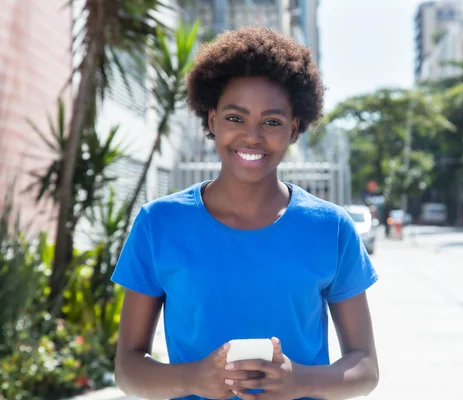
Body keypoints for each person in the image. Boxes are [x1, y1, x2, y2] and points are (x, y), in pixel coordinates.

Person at [111, 26, 379, 400]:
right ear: (212, 119)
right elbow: (127, 367)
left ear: (294, 128)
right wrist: (194, 379)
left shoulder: (331, 228)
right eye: (235, 118)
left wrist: (301, 380)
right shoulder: (159, 224)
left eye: (271, 122)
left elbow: (365, 366)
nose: (252, 136)